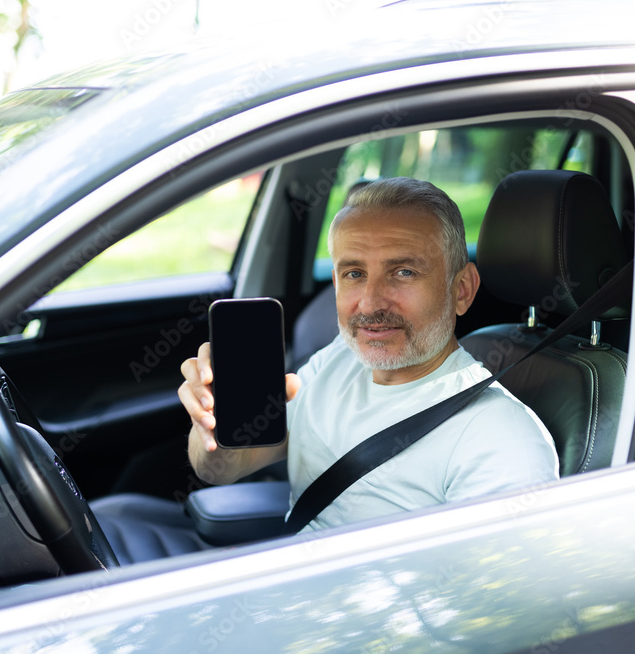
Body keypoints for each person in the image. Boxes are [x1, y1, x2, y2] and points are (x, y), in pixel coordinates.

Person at [178, 177, 558, 533]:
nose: (371, 303)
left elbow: (491, 599)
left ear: (461, 290)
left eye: (404, 272)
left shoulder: (501, 439)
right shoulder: (339, 359)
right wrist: (214, 425)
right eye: (355, 274)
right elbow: (224, 469)